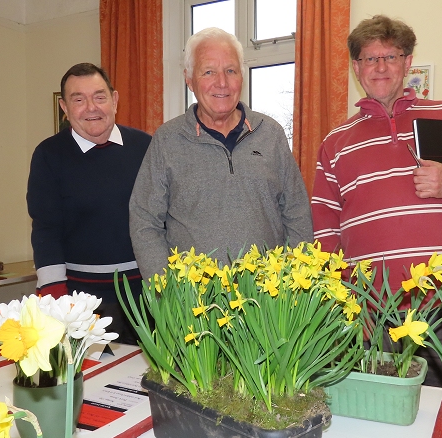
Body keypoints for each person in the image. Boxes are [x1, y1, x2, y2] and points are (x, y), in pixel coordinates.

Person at [311, 15, 442, 386]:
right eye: (370, 58)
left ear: (407, 62)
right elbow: (325, 232)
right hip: (371, 313)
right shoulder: (335, 143)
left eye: (391, 56)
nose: (381, 67)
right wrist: (347, 302)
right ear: (356, 68)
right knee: (378, 414)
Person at [129, 27, 312, 279]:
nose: (222, 83)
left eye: (230, 70)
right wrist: (166, 291)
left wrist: (294, 283)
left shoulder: (271, 134)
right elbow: (144, 220)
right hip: (193, 304)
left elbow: (297, 213)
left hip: (268, 305)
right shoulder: (167, 141)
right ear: (189, 79)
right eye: (208, 72)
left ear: (242, 76)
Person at [27, 63, 152, 344]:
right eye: (78, 100)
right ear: (64, 107)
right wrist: (56, 299)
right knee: (89, 383)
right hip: (79, 301)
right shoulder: (48, 155)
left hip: (145, 296)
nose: (91, 108)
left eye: (99, 97)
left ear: (115, 100)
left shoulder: (146, 147)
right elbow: (45, 228)